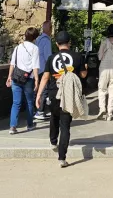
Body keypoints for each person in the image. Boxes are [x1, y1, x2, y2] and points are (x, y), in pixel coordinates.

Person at [36, 31, 88, 168]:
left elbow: (45, 77)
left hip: (54, 93)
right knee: (65, 125)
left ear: (57, 43)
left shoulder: (51, 58)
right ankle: (62, 158)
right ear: (69, 42)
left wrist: (39, 95)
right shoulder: (77, 57)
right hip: (68, 94)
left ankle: (53, 141)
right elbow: (83, 75)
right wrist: (85, 68)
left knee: (54, 116)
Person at [6, 27, 40, 134]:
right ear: (35, 38)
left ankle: (12, 127)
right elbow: (35, 66)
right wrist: (37, 79)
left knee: (16, 103)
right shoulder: (35, 48)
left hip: (16, 78)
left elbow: (12, 63)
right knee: (29, 102)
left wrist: (9, 76)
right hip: (28, 79)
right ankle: (29, 125)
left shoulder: (18, 47)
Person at [33, 21, 53, 122]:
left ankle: (37, 108)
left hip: (37, 67)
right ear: (50, 29)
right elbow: (48, 57)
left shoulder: (38, 39)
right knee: (44, 90)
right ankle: (40, 110)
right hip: (44, 68)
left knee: (38, 89)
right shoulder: (47, 41)